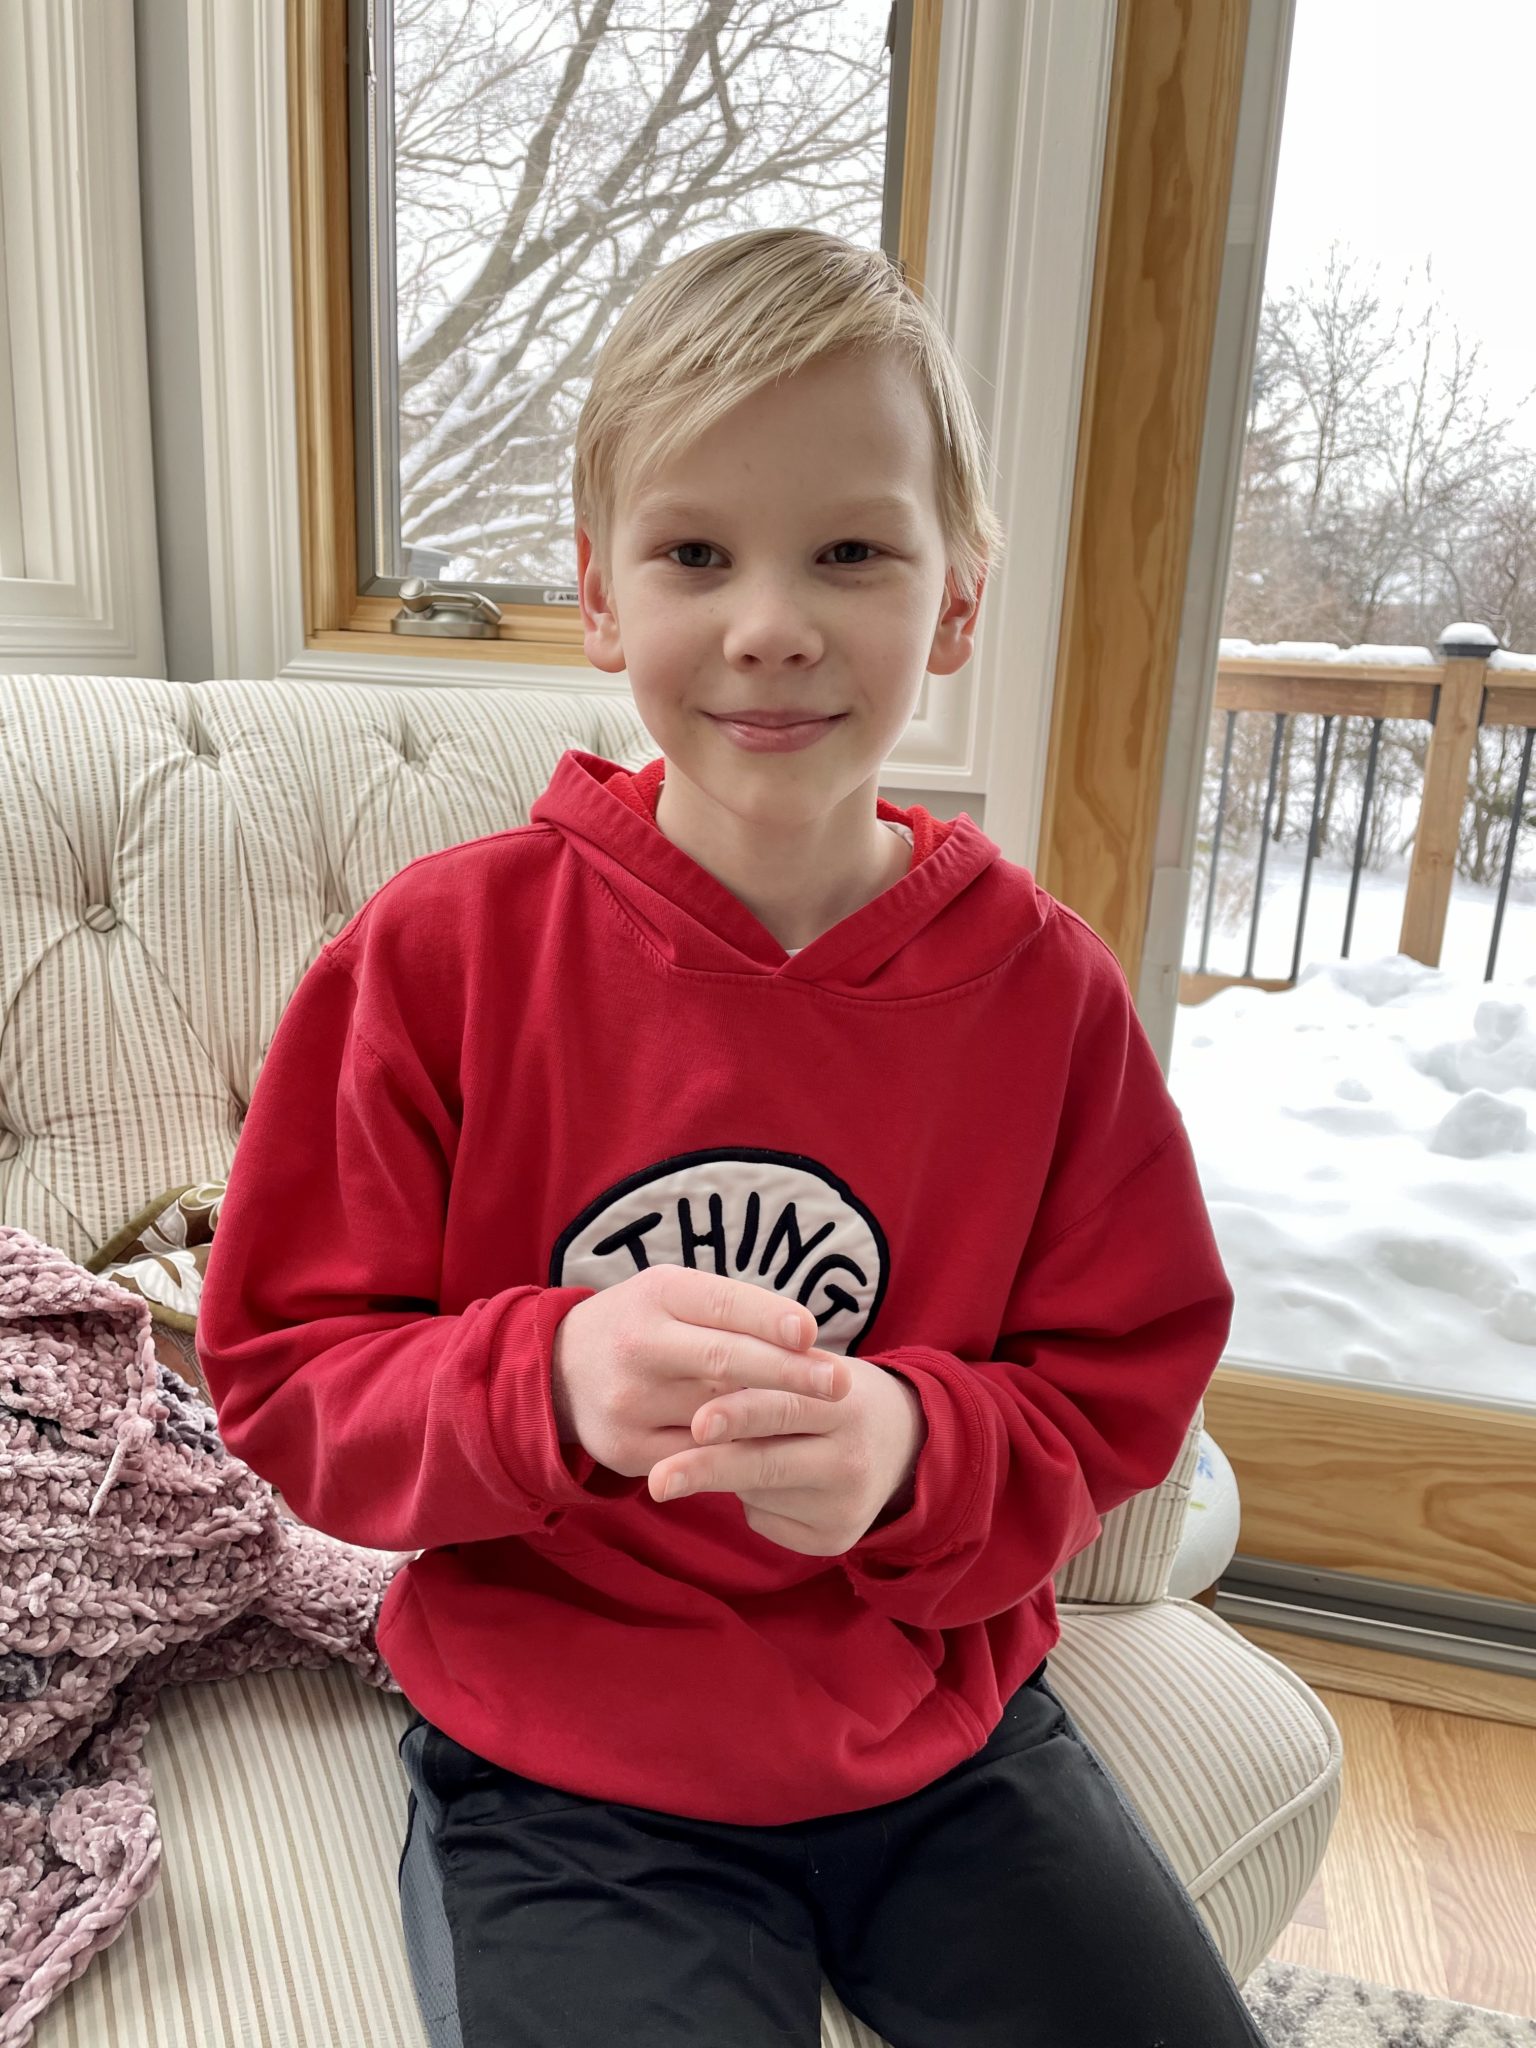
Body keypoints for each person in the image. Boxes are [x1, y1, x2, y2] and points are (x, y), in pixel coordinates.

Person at [196, 226, 1267, 2048]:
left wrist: (917, 1449)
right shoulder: (443, 954)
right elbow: (289, 1377)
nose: (771, 622)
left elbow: (1123, 1382)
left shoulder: (1048, 997)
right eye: (696, 553)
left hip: (944, 1748)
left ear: (956, 602)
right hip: (565, 1772)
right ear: (601, 598)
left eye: (851, 551)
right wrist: (547, 1378)